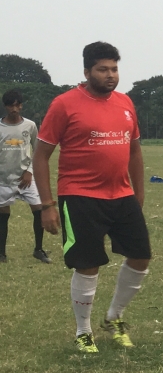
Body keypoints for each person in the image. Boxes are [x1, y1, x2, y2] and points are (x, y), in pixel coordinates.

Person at [33, 41, 152, 353]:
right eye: (103, 69)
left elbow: (134, 151)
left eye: (114, 68)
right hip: (80, 196)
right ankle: (83, 331)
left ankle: (114, 318)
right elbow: (41, 155)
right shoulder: (64, 104)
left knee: (140, 258)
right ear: (87, 72)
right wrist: (47, 205)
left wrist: (138, 195)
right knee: (88, 265)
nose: (110, 75)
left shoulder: (126, 103)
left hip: (121, 195)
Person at [0, 90, 48, 264]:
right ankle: (1, 253)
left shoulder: (30, 126)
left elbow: (38, 151)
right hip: (4, 179)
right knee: (3, 215)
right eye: (10, 105)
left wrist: (29, 171)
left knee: (39, 210)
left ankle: (38, 250)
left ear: (21, 105)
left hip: (26, 178)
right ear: (5, 106)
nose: (14, 108)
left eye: (17, 105)